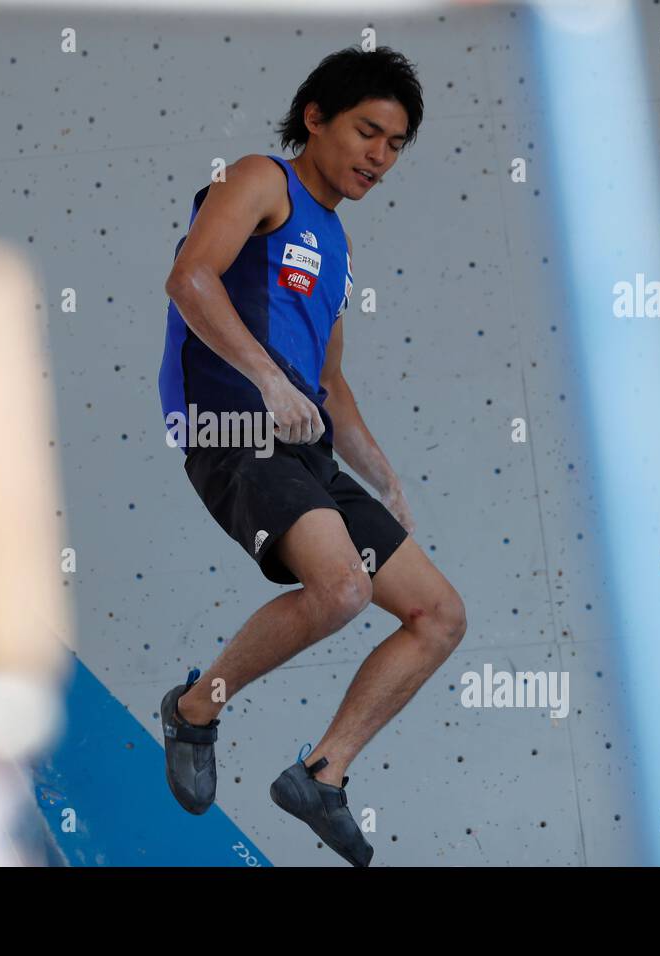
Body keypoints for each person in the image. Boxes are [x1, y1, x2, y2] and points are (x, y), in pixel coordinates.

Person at [156, 47, 467, 866]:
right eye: (369, 131)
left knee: (438, 616)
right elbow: (189, 280)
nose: (381, 156)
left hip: (302, 442)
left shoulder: (339, 245)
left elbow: (328, 382)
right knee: (340, 588)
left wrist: (386, 476)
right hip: (228, 423)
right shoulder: (261, 178)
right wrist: (263, 378)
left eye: (397, 145)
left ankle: (322, 774)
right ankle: (195, 709)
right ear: (316, 118)